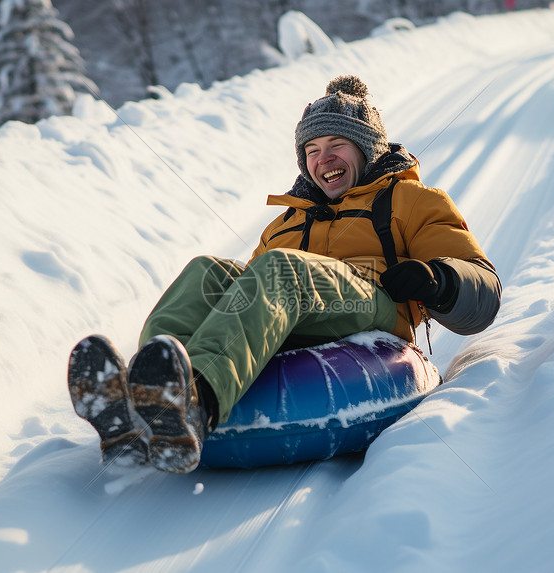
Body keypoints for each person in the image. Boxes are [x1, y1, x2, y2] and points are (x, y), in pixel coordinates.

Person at [67, 76, 502, 474]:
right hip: (301, 314)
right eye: (311, 150)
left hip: (373, 307)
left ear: (367, 149)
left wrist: (438, 279)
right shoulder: (286, 223)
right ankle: (142, 405)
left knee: (281, 268)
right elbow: (249, 295)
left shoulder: (408, 199)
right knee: (207, 272)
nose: (323, 159)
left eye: (336, 145)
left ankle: (195, 401)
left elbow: (482, 286)